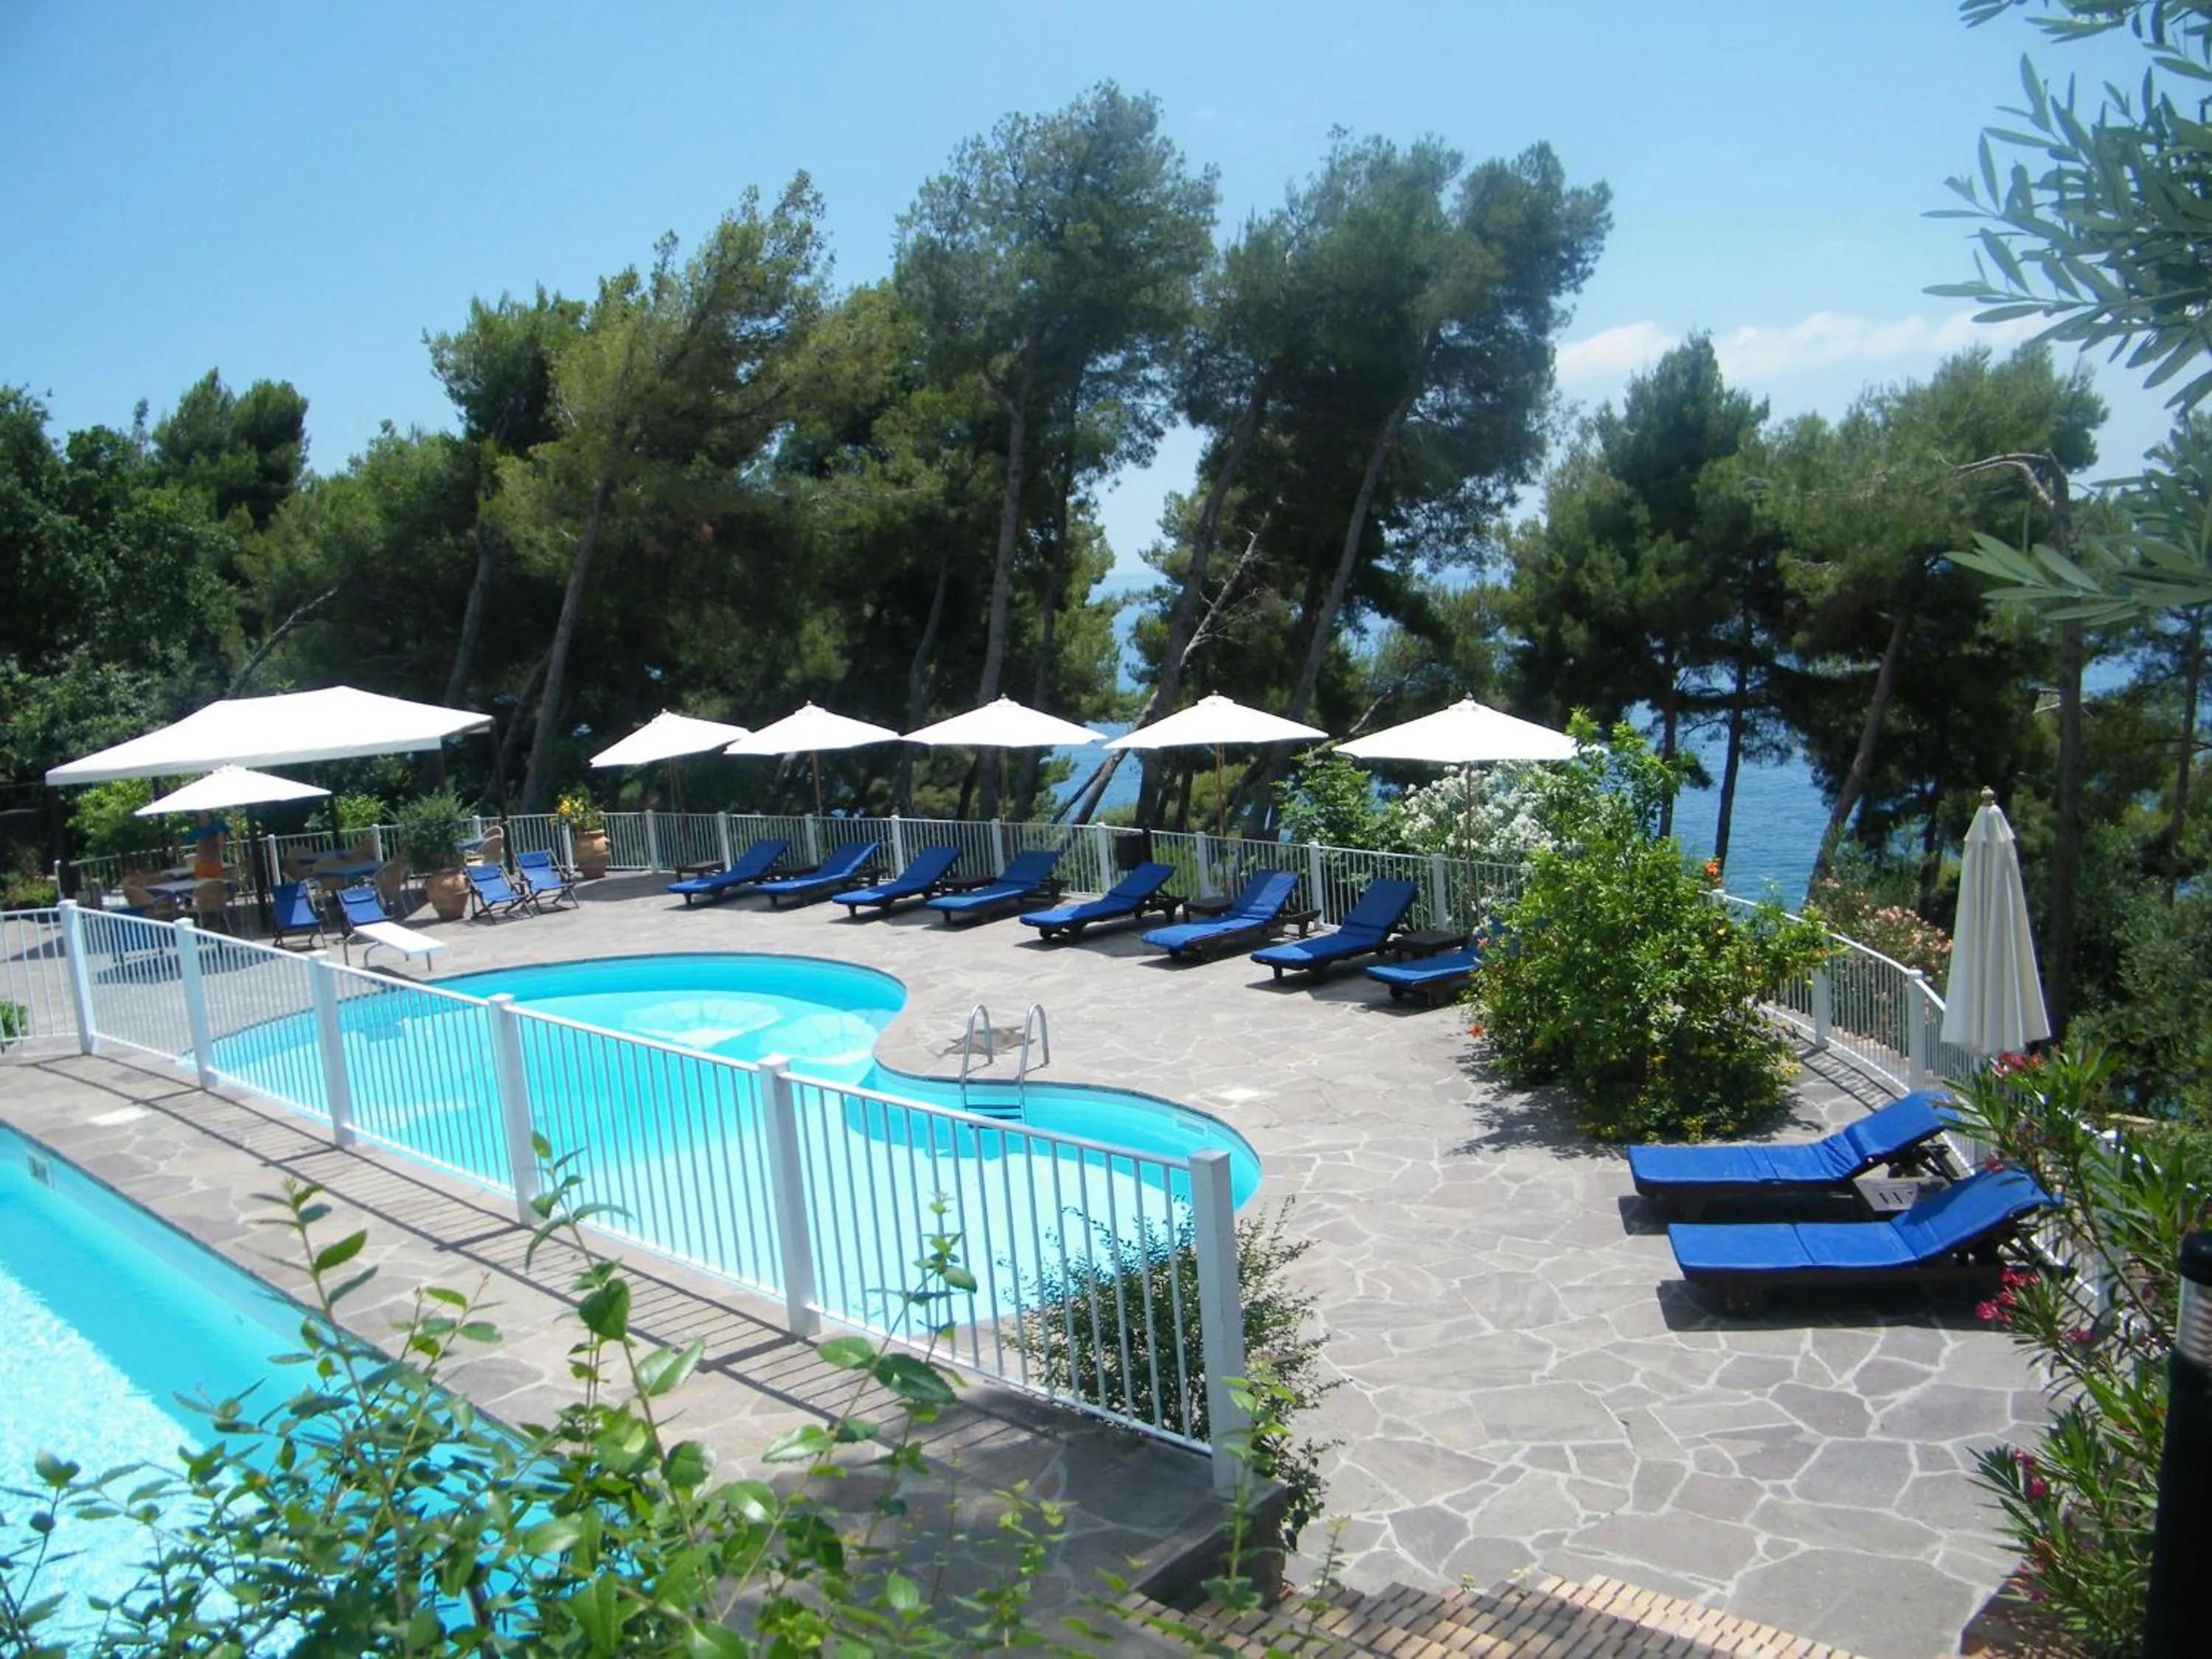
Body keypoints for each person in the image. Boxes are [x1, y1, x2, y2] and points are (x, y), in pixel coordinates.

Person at [184, 810, 229, 880]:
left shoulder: (218, 828)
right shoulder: (198, 831)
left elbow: (222, 845)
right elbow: (184, 840)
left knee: (216, 885)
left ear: (210, 819)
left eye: (204, 818)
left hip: (215, 862)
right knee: (202, 885)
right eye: (200, 819)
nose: (202, 821)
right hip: (202, 863)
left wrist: (220, 834)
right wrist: (172, 848)